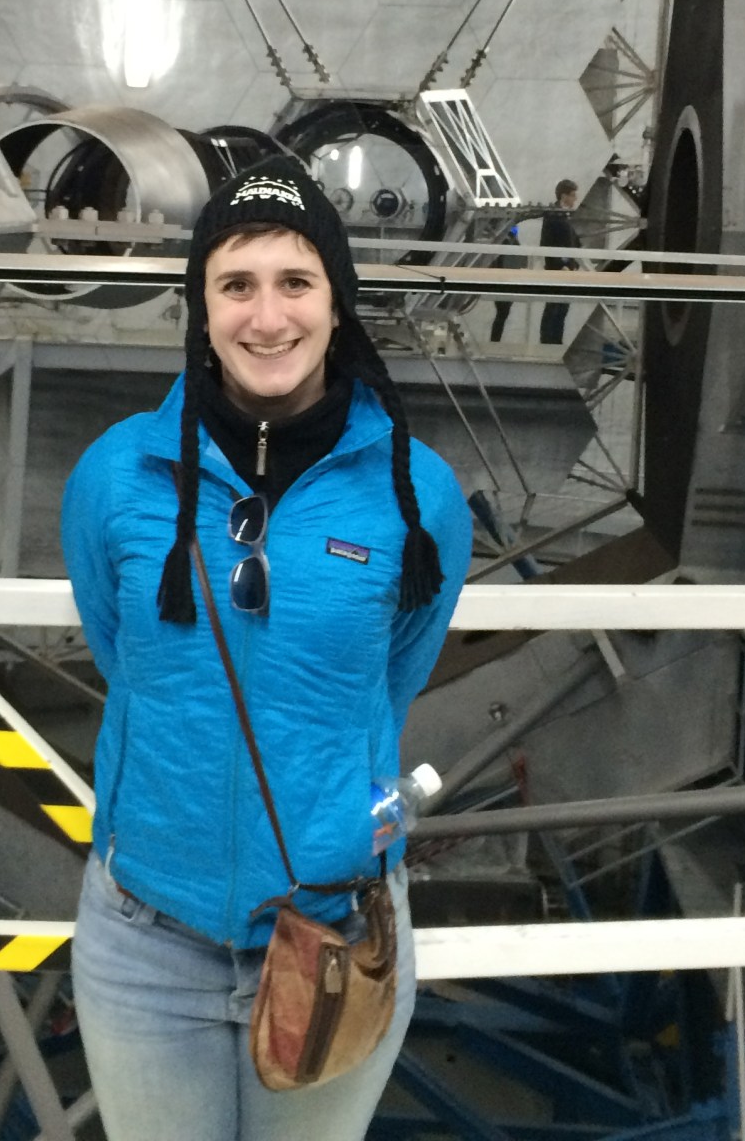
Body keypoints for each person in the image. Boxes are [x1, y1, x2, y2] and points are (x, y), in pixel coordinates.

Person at [61, 156, 472, 1140]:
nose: (265, 316)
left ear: (338, 303)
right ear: (199, 307)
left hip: (333, 935)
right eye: (234, 285)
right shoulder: (117, 477)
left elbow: (388, 676)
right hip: (145, 941)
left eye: (295, 282)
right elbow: (125, 662)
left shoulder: (418, 498)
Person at [539, 178, 581, 345]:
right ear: (564, 196)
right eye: (572, 196)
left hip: (566, 267)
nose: (575, 199)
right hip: (558, 268)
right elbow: (547, 242)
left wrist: (573, 263)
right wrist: (560, 264)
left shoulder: (564, 215)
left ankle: (555, 341)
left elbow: (572, 240)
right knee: (554, 306)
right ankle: (548, 341)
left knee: (562, 307)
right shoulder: (553, 214)